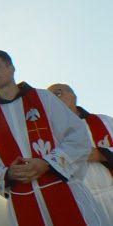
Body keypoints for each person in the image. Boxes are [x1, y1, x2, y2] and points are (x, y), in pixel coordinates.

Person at [0, 50, 104, 225]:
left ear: (11, 68)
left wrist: (48, 163)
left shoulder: (44, 98)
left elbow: (77, 136)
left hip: (64, 191)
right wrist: (8, 173)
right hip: (23, 201)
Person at [48, 83, 113, 222]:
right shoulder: (51, 135)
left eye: (57, 93)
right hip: (85, 204)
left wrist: (103, 154)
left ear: (73, 97)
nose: (53, 100)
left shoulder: (105, 122)